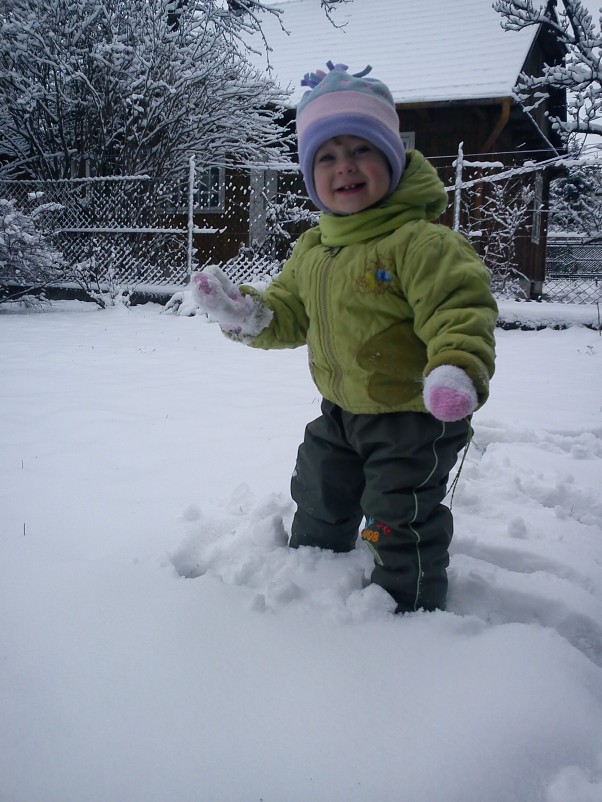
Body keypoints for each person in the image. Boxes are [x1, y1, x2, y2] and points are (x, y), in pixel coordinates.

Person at [190, 61, 497, 613]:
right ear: (312, 175)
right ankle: (311, 570)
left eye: (362, 150)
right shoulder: (315, 248)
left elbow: (459, 308)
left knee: (397, 509)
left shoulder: (419, 242)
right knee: (319, 488)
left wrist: (456, 366)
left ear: (391, 158)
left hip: (413, 417)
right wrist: (244, 312)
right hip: (340, 410)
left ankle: (411, 608)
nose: (345, 167)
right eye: (326, 156)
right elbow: (288, 311)